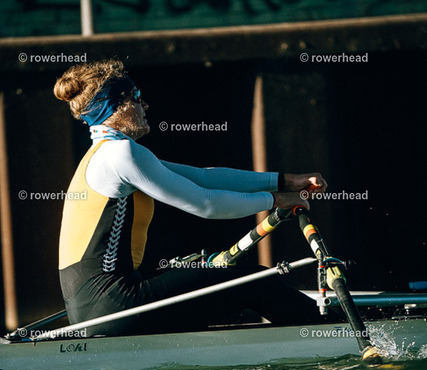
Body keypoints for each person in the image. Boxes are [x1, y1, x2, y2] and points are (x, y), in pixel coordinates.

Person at [54, 59, 332, 337]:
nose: (144, 106)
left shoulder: (102, 155)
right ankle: (331, 335)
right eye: (136, 98)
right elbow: (206, 204)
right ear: (115, 107)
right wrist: (276, 201)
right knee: (258, 282)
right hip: (116, 302)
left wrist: (285, 180)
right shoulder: (120, 154)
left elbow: (203, 178)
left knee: (231, 290)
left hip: (93, 310)